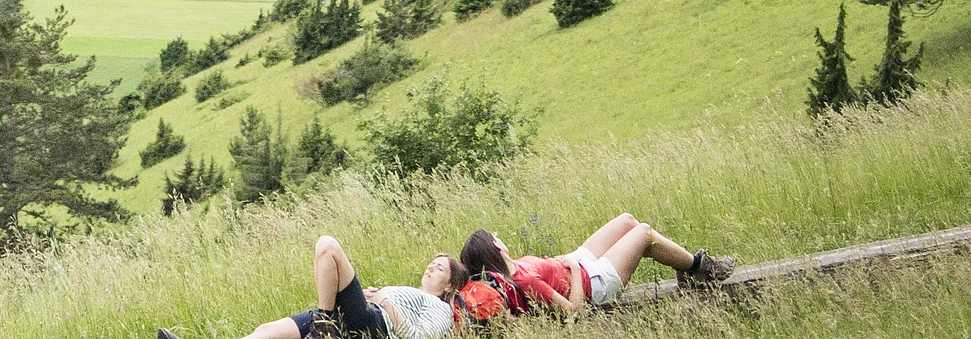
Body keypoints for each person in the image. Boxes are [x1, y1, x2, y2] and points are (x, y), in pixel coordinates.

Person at [159, 236, 462, 339]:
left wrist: (384, 300)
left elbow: (419, 337)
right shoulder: (414, 292)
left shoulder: (441, 308)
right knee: (265, 332)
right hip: (355, 316)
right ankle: (324, 323)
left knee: (327, 246)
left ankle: (324, 324)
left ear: (449, 285)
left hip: (375, 326)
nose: (430, 267)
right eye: (431, 262)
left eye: (439, 268)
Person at [457, 214, 733, 317]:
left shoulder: (513, 269)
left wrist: (572, 263)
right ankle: (700, 267)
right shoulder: (523, 282)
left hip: (578, 263)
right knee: (644, 233)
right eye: (496, 238)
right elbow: (575, 310)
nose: (500, 238)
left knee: (627, 221)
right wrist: (575, 270)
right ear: (494, 248)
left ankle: (691, 269)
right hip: (594, 284)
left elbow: (551, 271)